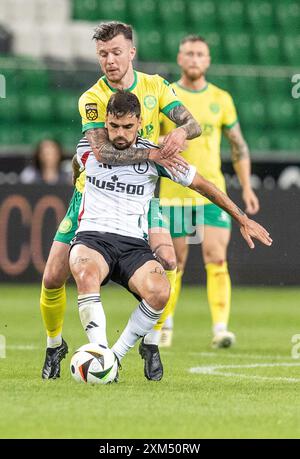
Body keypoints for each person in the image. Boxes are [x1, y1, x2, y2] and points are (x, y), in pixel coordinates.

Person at [70, 91, 271, 382]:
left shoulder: (157, 156)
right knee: (86, 271)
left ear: (140, 122)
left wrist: (241, 218)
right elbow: (78, 169)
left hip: (132, 244)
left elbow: (204, 185)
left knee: (160, 292)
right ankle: (99, 349)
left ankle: (113, 357)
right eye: (114, 126)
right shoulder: (88, 147)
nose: (120, 133)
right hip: (92, 237)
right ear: (106, 121)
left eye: (128, 127)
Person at [40, 21, 200, 380]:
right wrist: (154, 156)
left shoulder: (156, 86)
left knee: (169, 260)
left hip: (142, 196)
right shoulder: (92, 97)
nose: (109, 60)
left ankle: (151, 343)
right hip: (93, 195)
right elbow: (103, 152)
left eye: (115, 52)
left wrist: (179, 130)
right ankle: (55, 346)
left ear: (131, 52)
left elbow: (194, 124)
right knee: (52, 277)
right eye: (102, 54)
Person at [158, 35, 260, 348]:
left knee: (216, 257)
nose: (194, 58)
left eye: (200, 54)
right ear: (179, 58)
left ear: (208, 60)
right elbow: (148, 136)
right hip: (174, 191)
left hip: (212, 190)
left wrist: (246, 187)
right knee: (173, 262)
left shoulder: (222, 98)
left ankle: (220, 329)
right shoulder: (167, 95)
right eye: (188, 53)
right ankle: (164, 326)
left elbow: (238, 145)